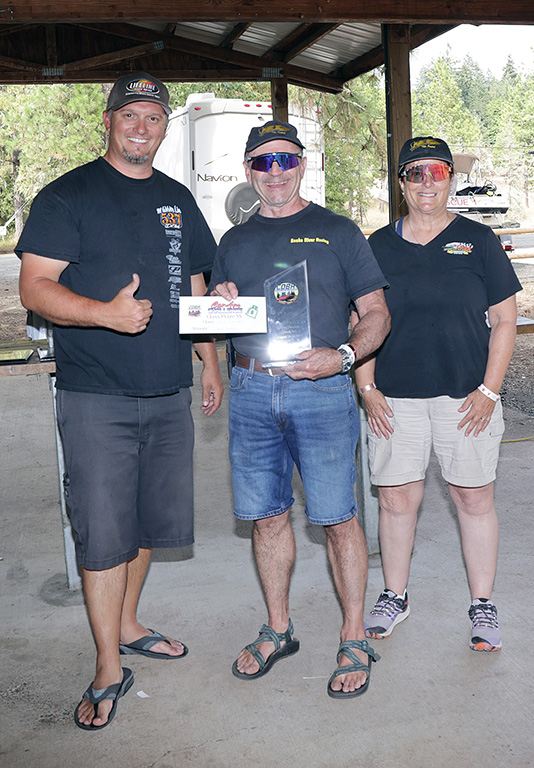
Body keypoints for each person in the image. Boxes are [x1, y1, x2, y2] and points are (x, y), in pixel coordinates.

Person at [17, 72, 223, 730]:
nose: (141, 126)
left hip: (168, 391)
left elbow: (193, 279)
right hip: (95, 395)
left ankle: (129, 622)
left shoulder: (176, 199)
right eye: (129, 114)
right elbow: (34, 287)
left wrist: (209, 357)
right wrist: (105, 316)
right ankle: (108, 664)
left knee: (146, 526)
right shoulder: (67, 195)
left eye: (153, 117)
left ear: (165, 126)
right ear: (108, 120)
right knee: (105, 533)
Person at [210, 120, 390, 698]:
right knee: (266, 516)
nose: (276, 172)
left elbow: (377, 314)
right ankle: (279, 629)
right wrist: (220, 303)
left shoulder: (338, 231)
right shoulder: (233, 242)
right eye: (262, 163)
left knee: (338, 517)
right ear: (248, 173)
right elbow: (218, 313)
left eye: (285, 159)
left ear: (302, 163)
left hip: (322, 392)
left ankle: (354, 633)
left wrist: (340, 358)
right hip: (253, 391)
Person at [358, 136, 521, 652]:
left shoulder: (480, 239)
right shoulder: (377, 246)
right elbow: (361, 320)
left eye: (437, 172)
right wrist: (366, 386)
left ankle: (482, 603)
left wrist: (490, 392)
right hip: (394, 398)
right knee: (396, 498)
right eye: (415, 173)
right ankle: (394, 595)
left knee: (473, 497)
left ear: (451, 177)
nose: (427, 183)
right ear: (401, 182)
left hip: (465, 399)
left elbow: (505, 320)